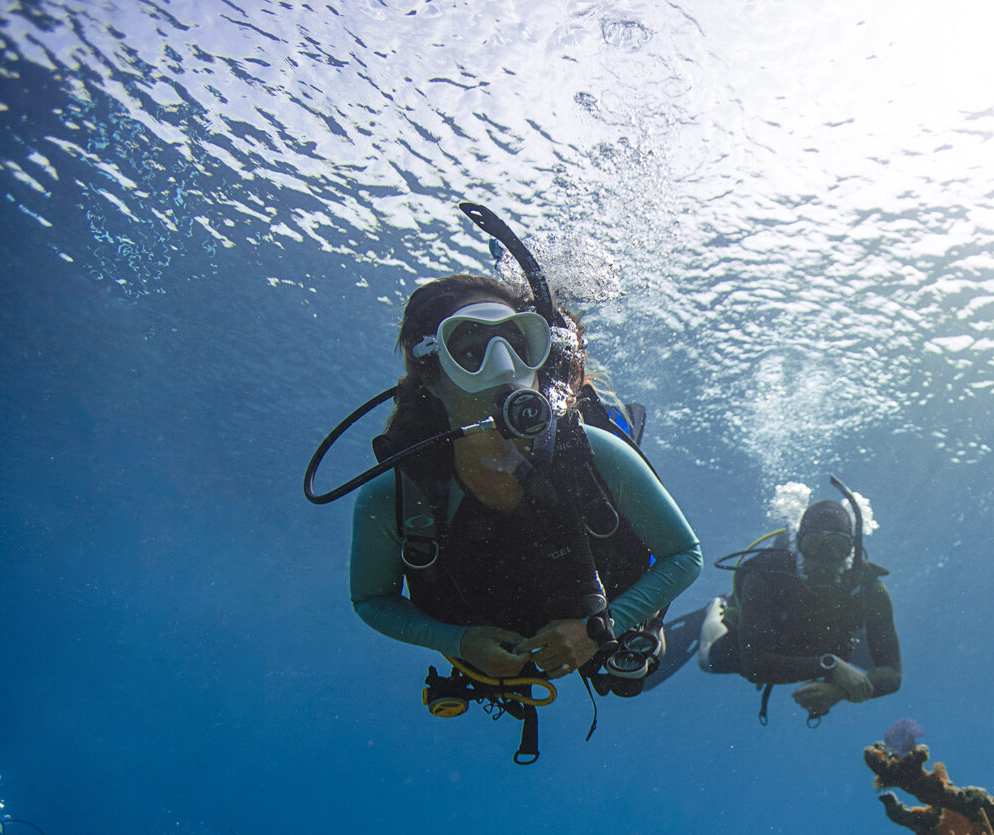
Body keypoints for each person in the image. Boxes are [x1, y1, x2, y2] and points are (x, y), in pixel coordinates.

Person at [347, 272, 702, 714]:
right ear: (432, 378)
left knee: (634, 674)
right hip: (489, 659)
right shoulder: (395, 497)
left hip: (605, 624)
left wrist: (601, 628)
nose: (504, 367)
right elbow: (371, 598)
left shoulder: (597, 454)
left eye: (519, 345)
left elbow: (685, 555)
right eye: (471, 352)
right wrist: (456, 641)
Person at [696, 487, 902, 723]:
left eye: (836, 545)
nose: (823, 556)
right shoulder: (765, 576)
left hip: (822, 645)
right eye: (814, 543)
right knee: (706, 660)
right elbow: (755, 667)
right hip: (766, 644)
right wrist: (830, 666)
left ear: (851, 550)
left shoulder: (870, 589)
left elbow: (893, 673)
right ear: (798, 544)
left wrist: (837, 692)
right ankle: (716, 606)